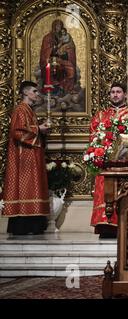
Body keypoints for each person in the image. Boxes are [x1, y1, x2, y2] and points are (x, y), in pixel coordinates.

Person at [90, 83, 128, 238]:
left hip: (125, 163)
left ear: (125, 94)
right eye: (112, 92)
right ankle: (105, 226)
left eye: (118, 92)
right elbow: (93, 136)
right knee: (104, 193)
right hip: (105, 162)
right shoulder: (100, 115)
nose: (115, 95)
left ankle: (125, 225)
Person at [1, 81, 51, 235]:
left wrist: (41, 129)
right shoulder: (21, 110)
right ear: (26, 92)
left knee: (33, 188)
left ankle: (34, 225)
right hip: (23, 158)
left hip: (31, 155)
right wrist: (39, 129)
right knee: (25, 188)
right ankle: (23, 226)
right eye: (35, 91)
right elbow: (17, 132)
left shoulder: (29, 110)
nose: (37, 94)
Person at [39, 19, 76, 94]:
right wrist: (54, 49)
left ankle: (66, 87)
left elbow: (70, 47)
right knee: (53, 68)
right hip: (50, 59)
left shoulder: (65, 36)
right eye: (57, 26)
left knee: (70, 67)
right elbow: (45, 51)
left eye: (60, 26)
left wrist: (65, 51)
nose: (58, 28)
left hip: (61, 59)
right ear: (54, 27)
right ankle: (53, 88)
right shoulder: (48, 37)